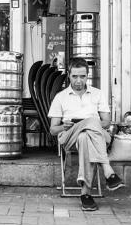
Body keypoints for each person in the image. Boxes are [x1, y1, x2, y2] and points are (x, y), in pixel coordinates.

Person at [48, 57, 124, 211]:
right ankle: (107, 169)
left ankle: (86, 194)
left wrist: (88, 125)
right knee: (90, 121)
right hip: (70, 135)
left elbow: (106, 122)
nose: (78, 80)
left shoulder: (97, 94)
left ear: (87, 76)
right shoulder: (60, 97)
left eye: (82, 76)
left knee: (85, 137)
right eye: (74, 76)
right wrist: (64, 126)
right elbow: (53, 130)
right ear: (68, 75)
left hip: (95, 137)